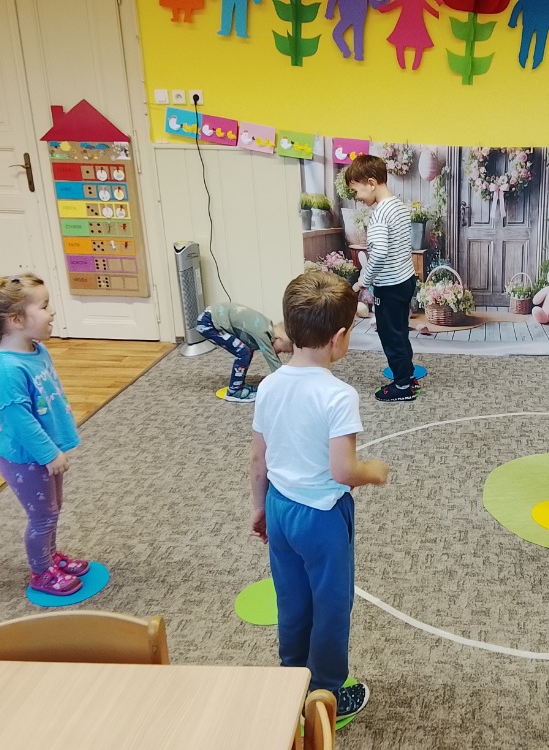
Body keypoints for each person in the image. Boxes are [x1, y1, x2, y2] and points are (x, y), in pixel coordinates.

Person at [250, 270, 390, 720]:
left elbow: (259, 459)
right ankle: (325, 694)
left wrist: (259, 507)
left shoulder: (269, 385)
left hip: (279, 507)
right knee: (331, 606)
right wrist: (373, 473)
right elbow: (343, 470)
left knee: (291, 601)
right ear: (340, 338)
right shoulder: (338, 395)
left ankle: (291, 679)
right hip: (322, 518)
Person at [0, 274, 89, 595]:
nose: (52, 312)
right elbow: (20, 421)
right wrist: (49, 453)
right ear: (16, 320)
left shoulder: (35, 350)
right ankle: (41, 573)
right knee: (42, 516)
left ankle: (51, 557)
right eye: (44, 306)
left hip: (41, 453)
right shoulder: (7, 369)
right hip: (25, 459)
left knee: (52, 511)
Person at [345, 154, 418, 402]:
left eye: (356, 191)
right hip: (405, 280)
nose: (357, 198)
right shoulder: (399, 206)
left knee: (390, 335)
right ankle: (408, 376)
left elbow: (378, 254)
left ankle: (402, 386)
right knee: (400, 332)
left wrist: (362, 281)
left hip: (390, 287)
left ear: (371, 182)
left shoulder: (379, 214)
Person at [194, 302, 292, 403]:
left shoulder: (266, 325)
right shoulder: (263, 334)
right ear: (278, 338)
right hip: (208, 323)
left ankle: (239, 384)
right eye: (281, 350)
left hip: (210, 317)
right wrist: (287, 383)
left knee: (246, 350)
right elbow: (272, 360)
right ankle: (234, 391)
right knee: (243, 352)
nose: (279, 353)